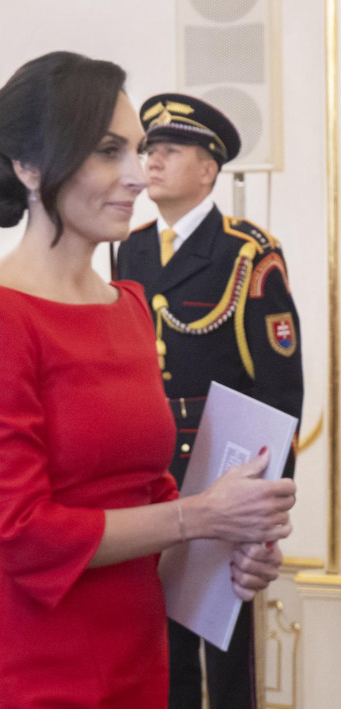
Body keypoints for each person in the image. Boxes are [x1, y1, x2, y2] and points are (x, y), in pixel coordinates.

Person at [0, 52, 296, 709]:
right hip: (31, 665)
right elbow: (22, 533)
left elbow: (150, 501)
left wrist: (226, 547)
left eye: (138, 150)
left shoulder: (127, 306)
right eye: (109, 151)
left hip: (137, 656)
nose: (137, 175)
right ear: (30, 166)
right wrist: (200, 515)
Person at [116, 93, 304, 709]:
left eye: (170, 151)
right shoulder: (131, 247)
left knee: (227, 660)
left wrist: (265, 512)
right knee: (158, 650)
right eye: (149, 150)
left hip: (224, 477)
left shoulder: (246, 251)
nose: (152, 161)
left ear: (208, 168)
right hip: (149, 481)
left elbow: (279, 392)